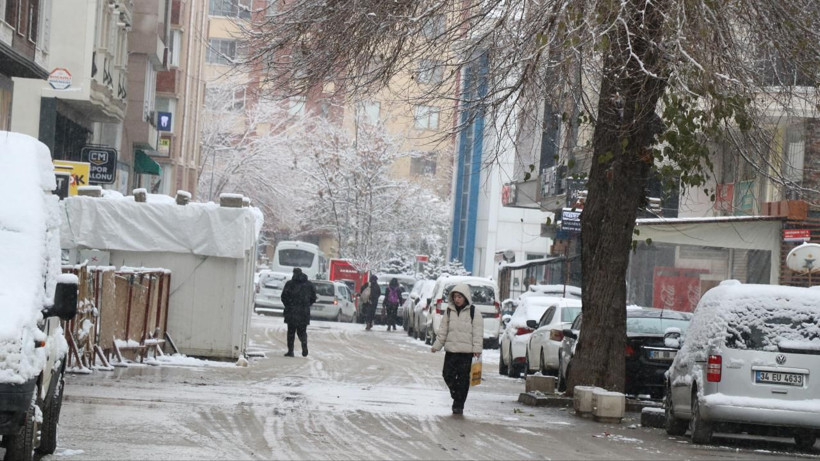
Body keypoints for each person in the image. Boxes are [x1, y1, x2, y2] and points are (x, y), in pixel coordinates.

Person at [431, 284, 483, 415]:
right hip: (451, 351)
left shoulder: (473, 312)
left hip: (466, 352)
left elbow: (477, 332)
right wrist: (437, 345)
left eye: (459, 297)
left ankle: (458, 405)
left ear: (465, 297)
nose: (457, 299)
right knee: (447, 374)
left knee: (463, 379)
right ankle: (456, 394)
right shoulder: (449, 311)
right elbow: (443, 330)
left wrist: (477, 349)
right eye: (455, 297)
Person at [280, 268, 317, 357]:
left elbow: (283, 297)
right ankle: (304, 345)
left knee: (291, 332)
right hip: (304, 312)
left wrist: (289, 305)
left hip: (291, 312)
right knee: (302, 332)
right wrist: (307, 305)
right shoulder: (309, 284)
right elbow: (313, 298)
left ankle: (291, 351)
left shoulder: (289, 284)